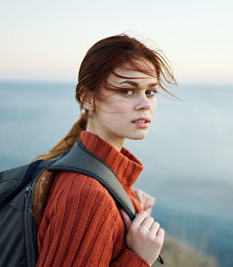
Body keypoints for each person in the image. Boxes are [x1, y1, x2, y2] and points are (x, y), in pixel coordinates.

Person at [32, 34, 177, 266]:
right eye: (127, 91)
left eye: (151, 91)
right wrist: (138, 258)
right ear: (88, 98)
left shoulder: (93, 171)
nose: (145, 103)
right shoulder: (87, 197)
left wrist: (132, 207)